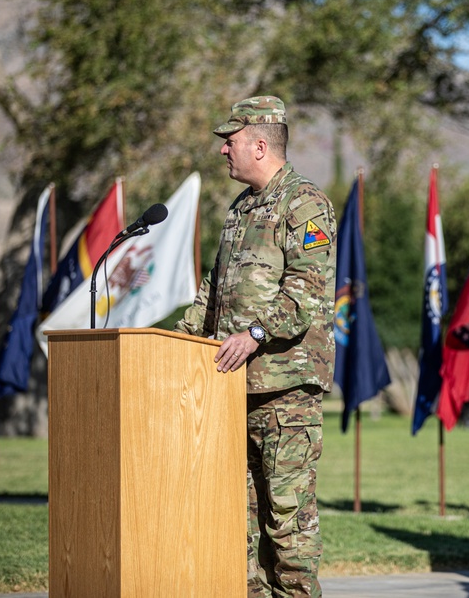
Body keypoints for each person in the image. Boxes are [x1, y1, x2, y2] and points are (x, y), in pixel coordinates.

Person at [174, 95, 337, 597]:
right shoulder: (240, 209)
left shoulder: (305, 204)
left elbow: (309, 291)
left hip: (285, 394)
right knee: (237, 533)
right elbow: (214, 290)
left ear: (260, 144)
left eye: (231, 140)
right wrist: (177, 344)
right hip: (231, 392)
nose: (224, 150)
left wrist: (255, 334)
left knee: (286, 529)